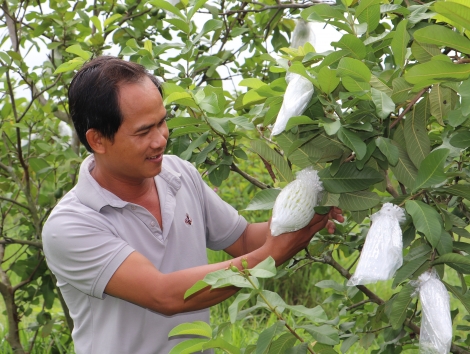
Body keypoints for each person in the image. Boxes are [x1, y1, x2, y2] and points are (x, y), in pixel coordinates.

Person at [42, 56, 343, 354]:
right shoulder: (69, 226)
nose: (160, 139)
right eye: (144, 131)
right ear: (97, 141)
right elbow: (163, 295)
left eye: (162, 122)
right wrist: (272, 254)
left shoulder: (179, 174)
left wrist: (306, 214)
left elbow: (242, 239)